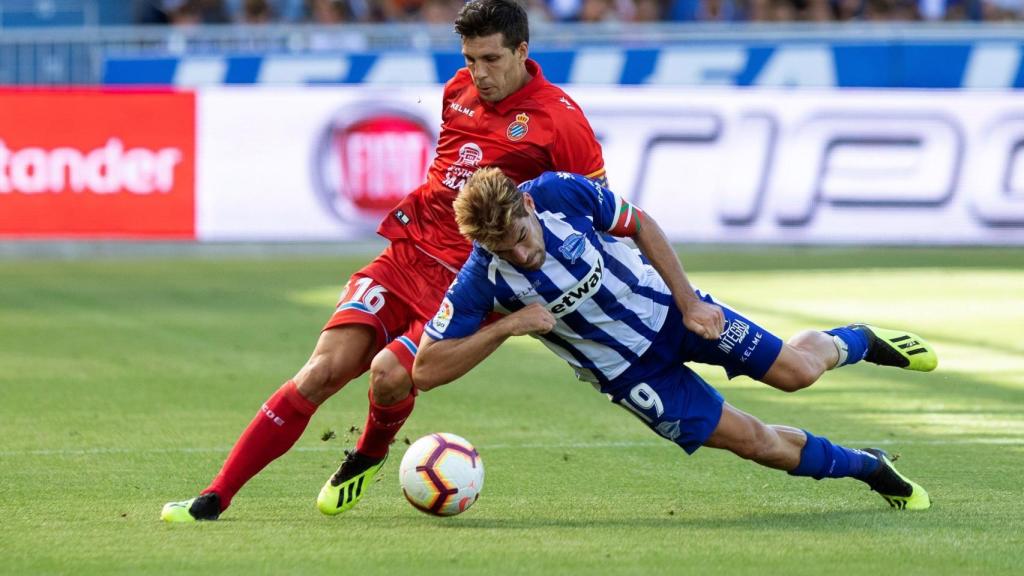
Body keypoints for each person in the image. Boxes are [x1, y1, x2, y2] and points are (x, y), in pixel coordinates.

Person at [161, 0, 606, 522]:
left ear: (522, 51)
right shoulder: (456, 92)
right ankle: (214, 498)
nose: (478, 74)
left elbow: (591, 208)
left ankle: (369, 453)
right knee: (320, 371)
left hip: (469, 282)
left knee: (389, 373)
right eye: (470, 59)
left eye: (490, 59)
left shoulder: (559, 119)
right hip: (406, 254)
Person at [412, 167, 937, 511]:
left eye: (522, 239)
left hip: (669, 311)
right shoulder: (482, 279)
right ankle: (869, 466)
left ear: (526, 207)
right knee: (757, 444)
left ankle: (861, 340)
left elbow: (639, 224)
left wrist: (688, 300)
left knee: (798, 373)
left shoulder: (557, 194)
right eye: (504, 251)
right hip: (632, 377)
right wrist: (506, 326)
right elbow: (426, 370)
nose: (522, 255)